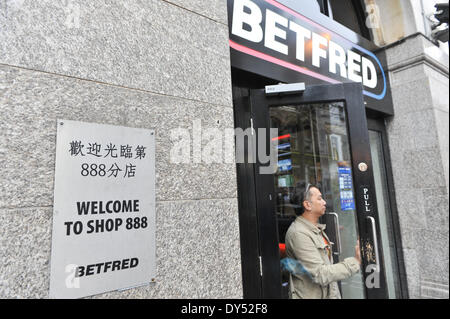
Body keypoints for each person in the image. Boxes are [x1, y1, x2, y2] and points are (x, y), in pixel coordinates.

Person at [285, 182, 361, 299]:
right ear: (307, 205)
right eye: (319, 199)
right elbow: (320, 274)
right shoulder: (298, 234)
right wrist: (355, 262)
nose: (324, 202)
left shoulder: (315, 228)